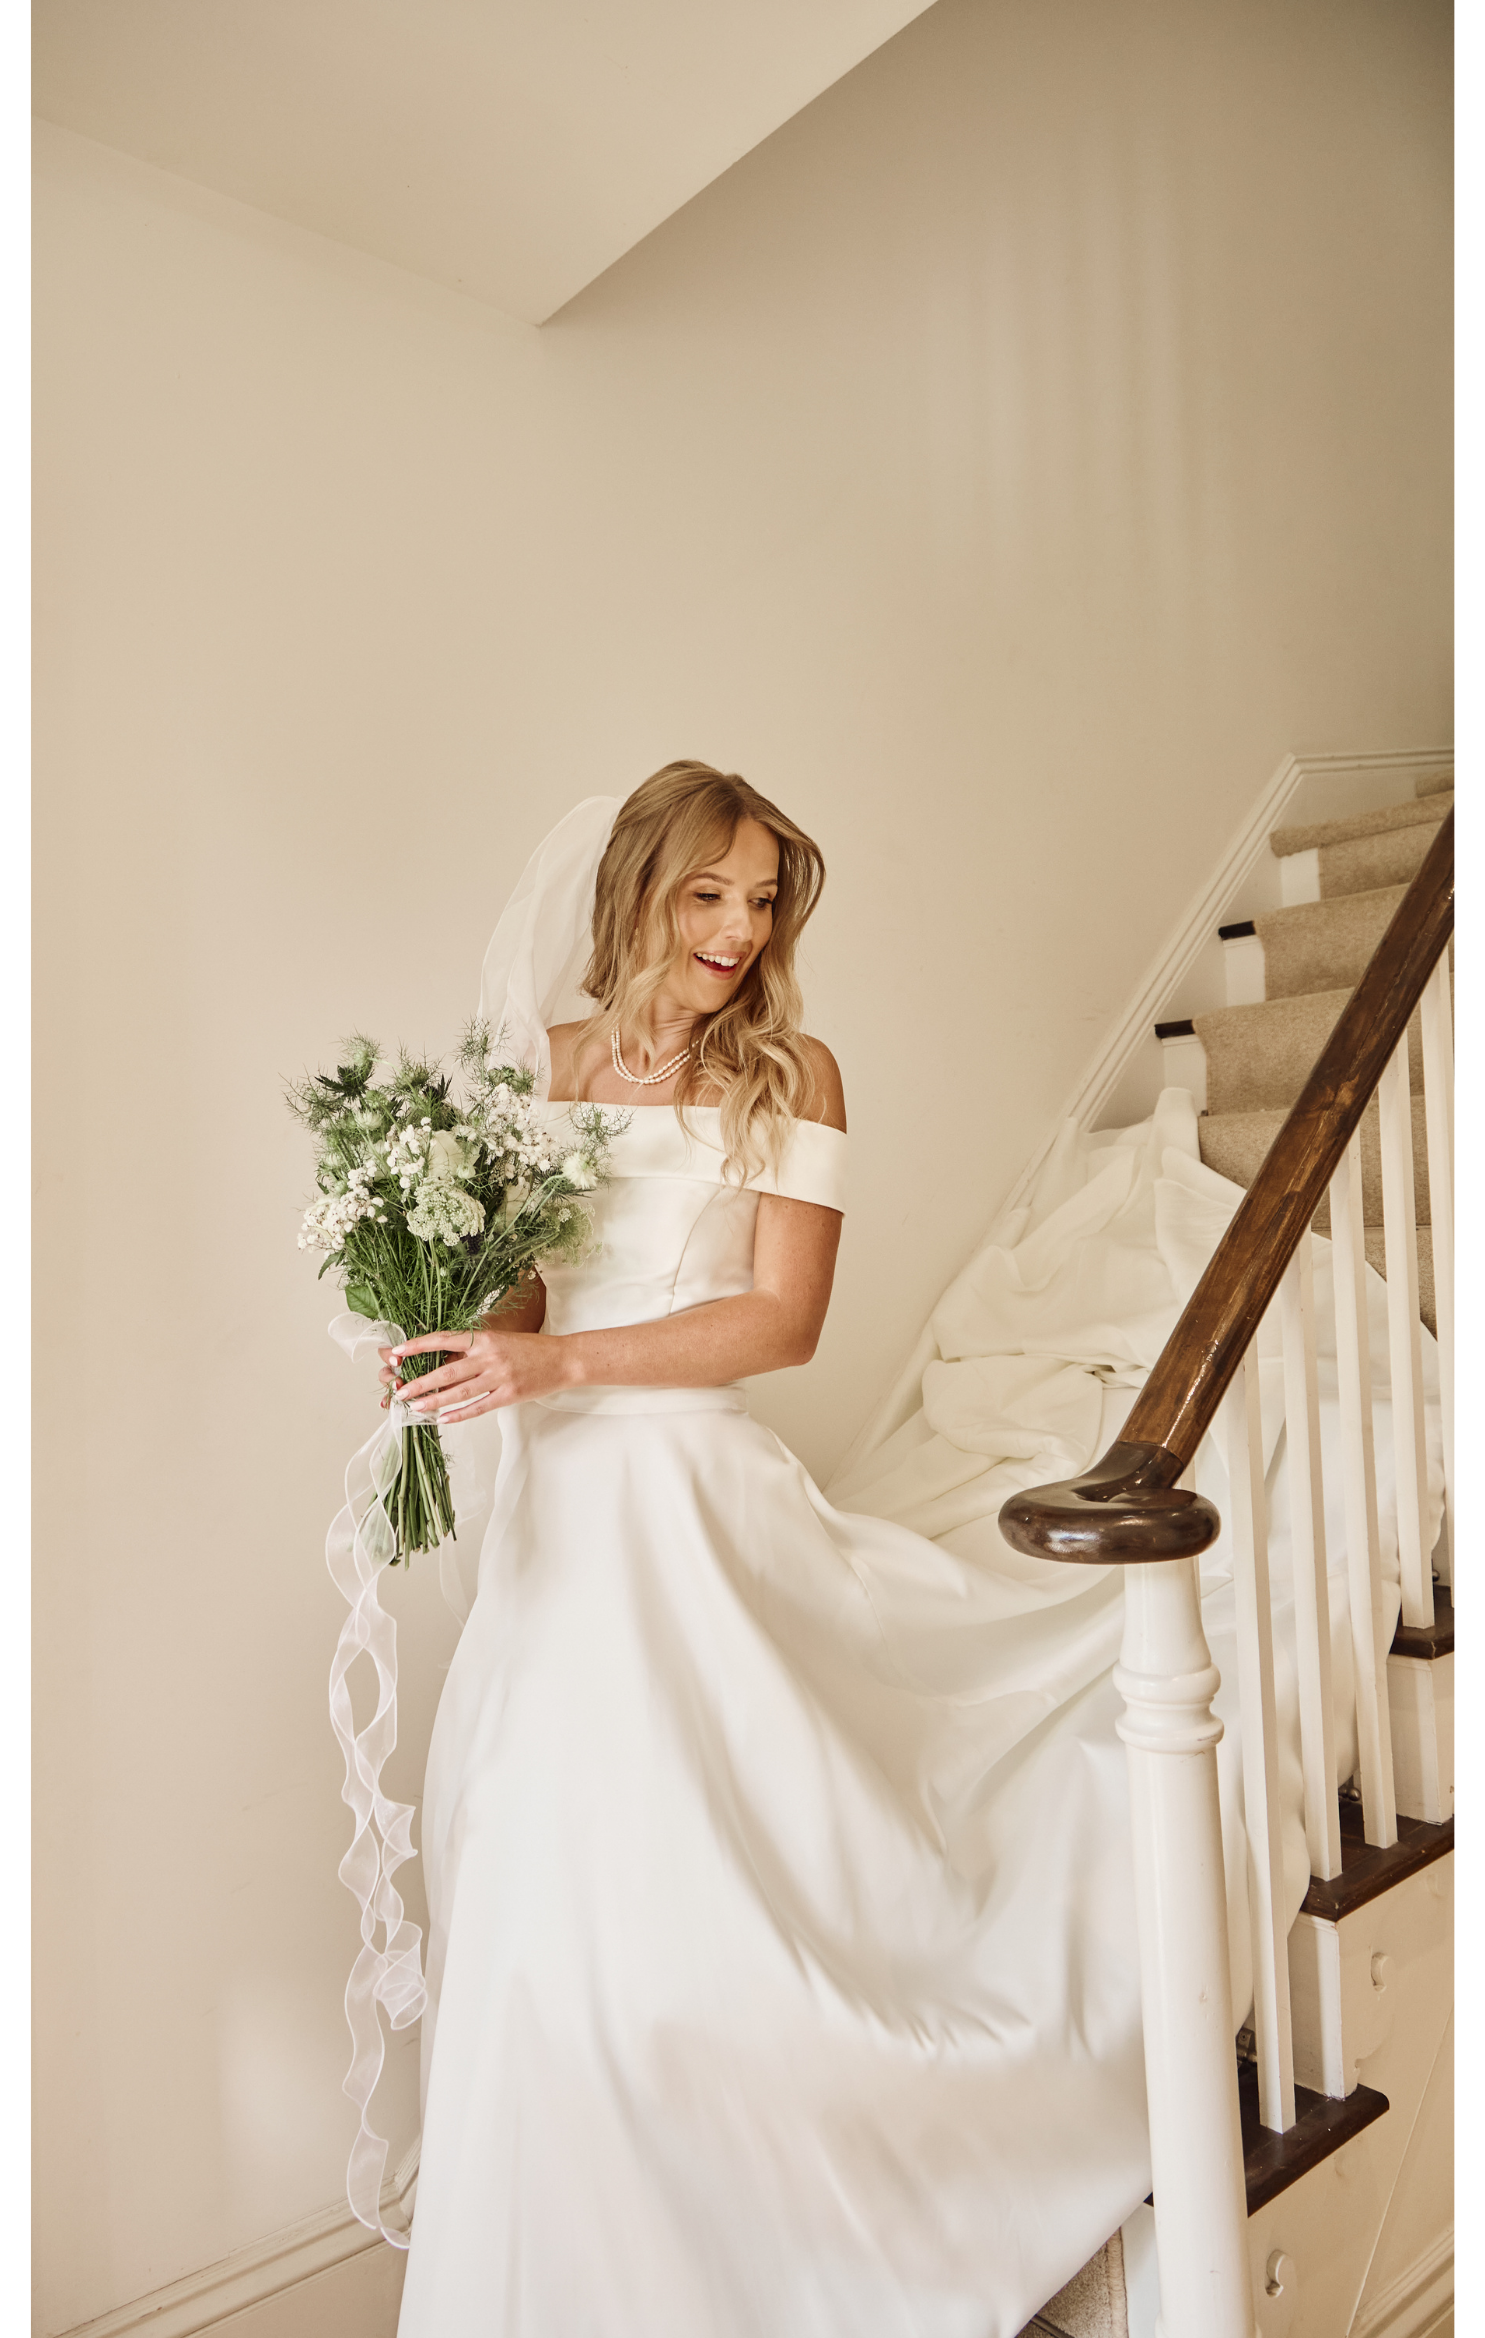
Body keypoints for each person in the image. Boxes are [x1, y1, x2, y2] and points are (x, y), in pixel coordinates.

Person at [383, 762, 1151, 2338]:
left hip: (688, 1506)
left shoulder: (795, 1072)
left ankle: (781, 2261)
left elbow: (779, 1323)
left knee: (709, 1902)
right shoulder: (544, 1066)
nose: (741, 927)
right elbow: (524, 1306)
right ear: (641, 890)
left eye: (765, 896)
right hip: (558, 1527)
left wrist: (563, 1368)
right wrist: (440, 1326)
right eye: (709, 891)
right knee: (544, 1894)